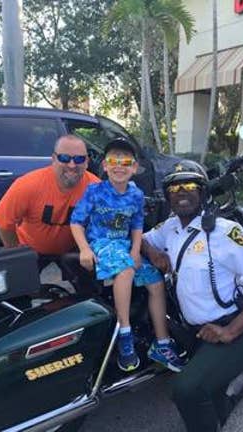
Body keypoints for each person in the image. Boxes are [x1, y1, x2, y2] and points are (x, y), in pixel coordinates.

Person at [141, 160, 243, 432]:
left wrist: (231, 331)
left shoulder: (224, 231)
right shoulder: (170, 228)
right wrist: (154, 253)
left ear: (203, 192)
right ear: (167, 195)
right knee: (215, 401)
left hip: (233, 331)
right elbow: (143, 239)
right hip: (196, 333)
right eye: (174, 187)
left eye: (190, 185)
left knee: (187, 391)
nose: (182, 191)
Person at [70, 138, 185, 373]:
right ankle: (125, 332)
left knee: (155, 280)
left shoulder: (136, 194)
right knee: (125, 268)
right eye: (113, 160)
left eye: (126, 162)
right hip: (101, 244)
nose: (119, 166)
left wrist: (135, 251)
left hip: (124, 245)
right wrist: (84, 248)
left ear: (134, 167)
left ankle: (162, 343)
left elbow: (136, 226)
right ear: (104, 165)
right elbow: (76, 222)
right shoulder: (94, 191)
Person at [0, 134, 101, 294]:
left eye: (79, 159)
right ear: (53, 159)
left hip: (72, 248)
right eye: (64, 158)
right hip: (31, 247)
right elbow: (3, 222)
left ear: (86, 162)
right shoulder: (28, 185)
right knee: (18, 295)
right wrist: (16, 252)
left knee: (91, 291)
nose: (72, 165)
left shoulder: (96, 188)